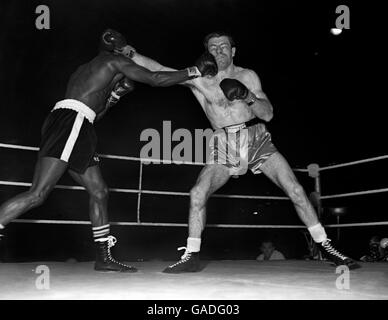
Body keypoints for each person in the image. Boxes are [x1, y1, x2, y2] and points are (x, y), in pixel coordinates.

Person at [128, 31, 360, 272]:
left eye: (223, 46)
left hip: (255, 137)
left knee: (295, 189)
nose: (218, 51)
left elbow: (268, 113)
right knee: (198, 192)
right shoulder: (199, 78)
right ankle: (192, 255)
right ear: (208, 52)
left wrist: (247, 95)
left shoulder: (248, 76)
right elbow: (160, 69)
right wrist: (130, 53)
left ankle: (326, 246)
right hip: (224, 143)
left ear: (233, 51)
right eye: (213, 48)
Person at [0, 29, 215, 272]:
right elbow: (155, 79)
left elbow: (93, 113)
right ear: (121, 49)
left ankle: (103, 257)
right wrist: (193, 71)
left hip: (77, 123)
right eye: (127, 51)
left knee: (99, 191)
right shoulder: (116, 61)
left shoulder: (86, 69)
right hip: (72, 123)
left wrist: (113, 97)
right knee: (38, 194)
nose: (130, 55)